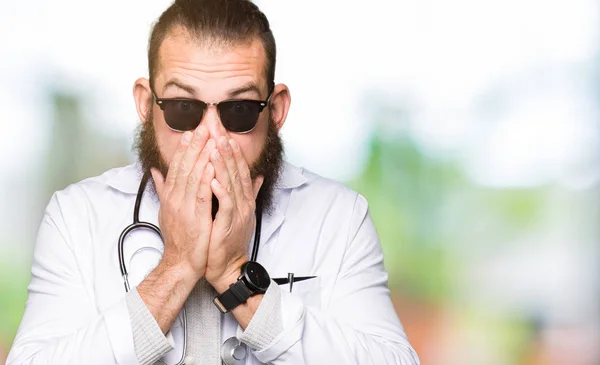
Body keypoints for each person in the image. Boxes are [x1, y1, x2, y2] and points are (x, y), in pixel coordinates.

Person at [7, 0, 420, 364]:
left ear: (275, 110)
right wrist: (176, 268)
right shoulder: (77, 215)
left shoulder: (339, 217)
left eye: (238, 110)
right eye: (184, 109)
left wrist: (234, 273)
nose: (210, 138)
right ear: (147, 105)